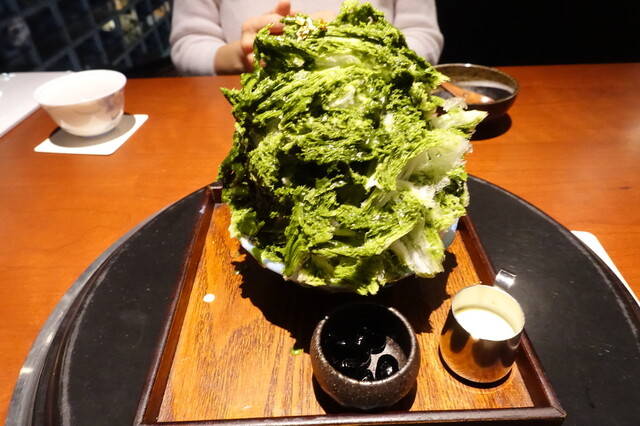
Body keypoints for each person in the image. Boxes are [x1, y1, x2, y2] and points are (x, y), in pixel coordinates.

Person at [170, 0, 444, 76]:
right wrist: (247, 55)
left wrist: (354, 45)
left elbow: (422, 36)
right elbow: (188, 44)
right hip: (241, 117)